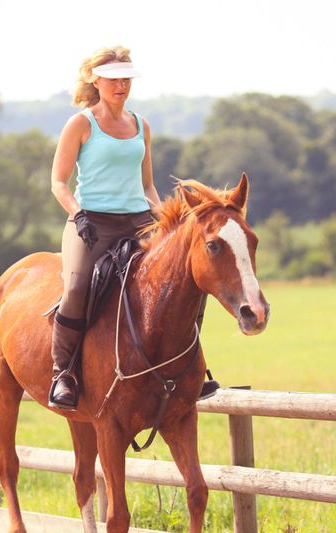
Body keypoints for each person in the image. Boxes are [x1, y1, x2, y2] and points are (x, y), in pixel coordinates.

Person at [48, 45, 218, 410]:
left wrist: (165, 219)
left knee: (185, 278)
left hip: (139, 220)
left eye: (126, 79)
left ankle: (189, 368)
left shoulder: (141, 125)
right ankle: (63, 373)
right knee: (77, 286)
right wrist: (78, 215)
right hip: (91, 222)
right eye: (113, 79)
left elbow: (147, 186)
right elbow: (58, 183)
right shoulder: (81, 123)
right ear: (96, 80)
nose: (121, 85)